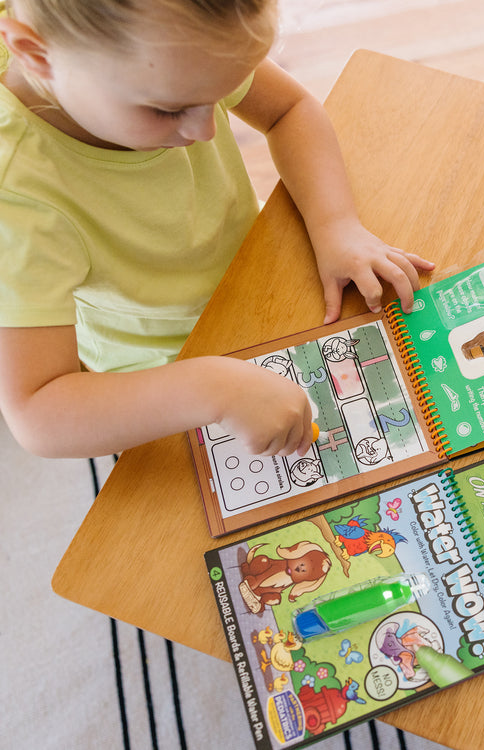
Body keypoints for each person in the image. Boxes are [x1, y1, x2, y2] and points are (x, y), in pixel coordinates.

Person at [0, 0, 434, 460]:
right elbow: (38, 413)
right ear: (36, 54)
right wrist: (215, 388)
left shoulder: (176, 48)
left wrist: (337, 225)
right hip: (161, 379)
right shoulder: (17, 194)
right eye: (170, 110)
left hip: (261, 272)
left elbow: (288, 108)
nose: (207, 129)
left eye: (220, 95)